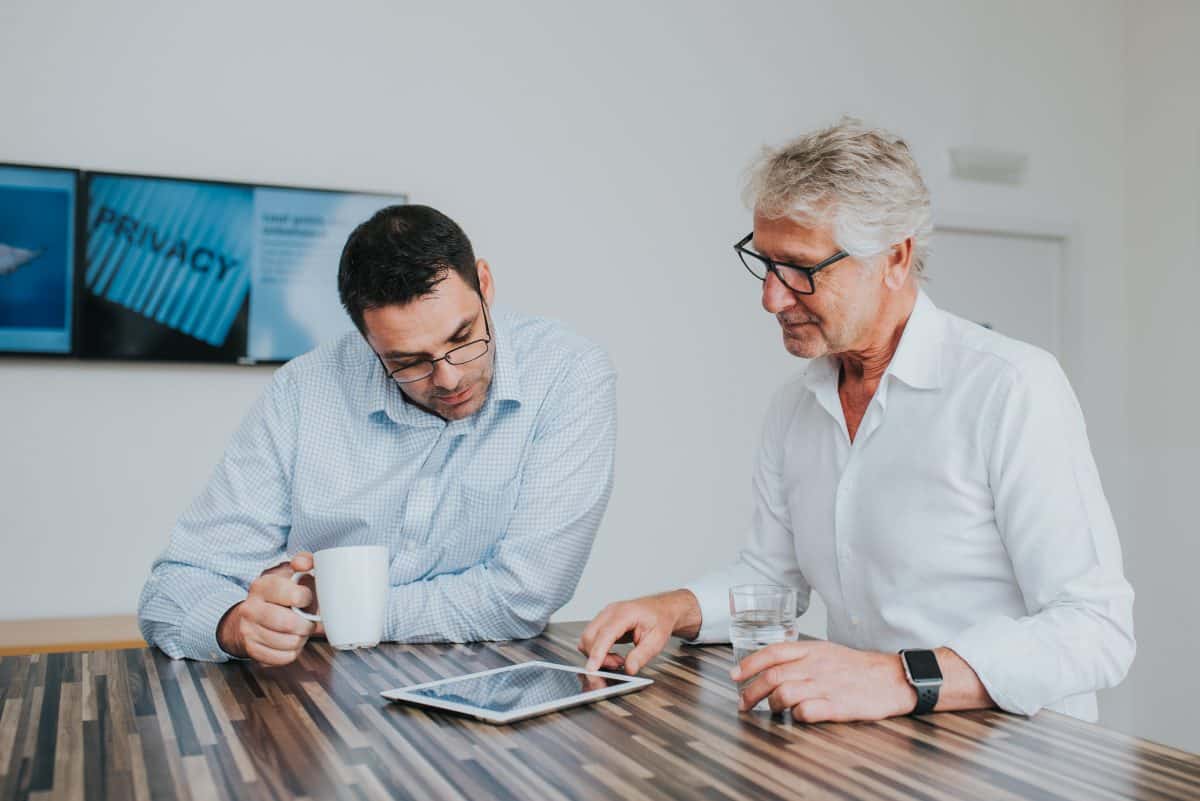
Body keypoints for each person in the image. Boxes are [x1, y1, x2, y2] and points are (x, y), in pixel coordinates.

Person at [579, 119, 1134, 723]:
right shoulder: (795, 407)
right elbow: (774, 579)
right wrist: (674, 608)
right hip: (874, 755)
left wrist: (901, 677)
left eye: (800, 268)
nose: (772, 297)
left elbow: (1095, 631)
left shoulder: (1011, 387)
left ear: (893, 259)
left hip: (1021, 765)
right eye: (764, 263)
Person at [139, 204, 617, 665]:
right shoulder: (302, 393)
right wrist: (236, 625)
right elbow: (175, 588)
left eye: (462, 338)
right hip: (318, 708)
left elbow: (523, 596)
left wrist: (332, 610)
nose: (448, 379)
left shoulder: (567, 373)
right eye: (408, 361)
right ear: (367, 342)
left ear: (485, 284)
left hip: (494, 694)